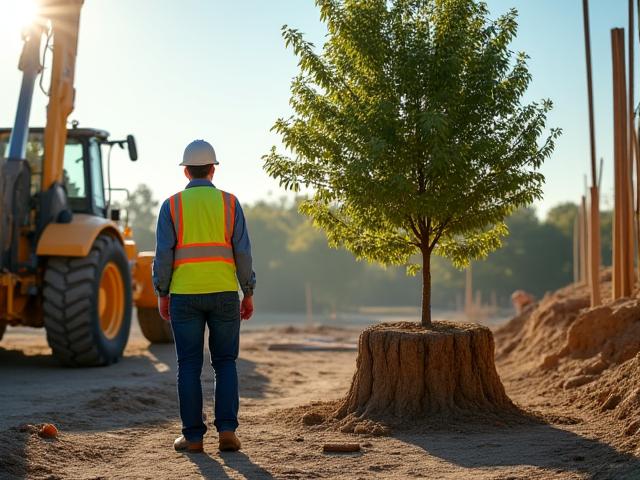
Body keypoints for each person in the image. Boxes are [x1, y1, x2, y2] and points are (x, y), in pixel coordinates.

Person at [152, 139, 256, 453]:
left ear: (186, 171)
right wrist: (247, 291)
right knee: (225, 363)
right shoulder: (230, 203)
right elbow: (243, 253)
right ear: (212, 169)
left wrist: (162, 292)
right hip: (224, 292)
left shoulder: (171, 206)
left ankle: (194, 437)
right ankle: (227, 432)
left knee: (188, 366)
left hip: (184, 295)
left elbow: (164, 255)